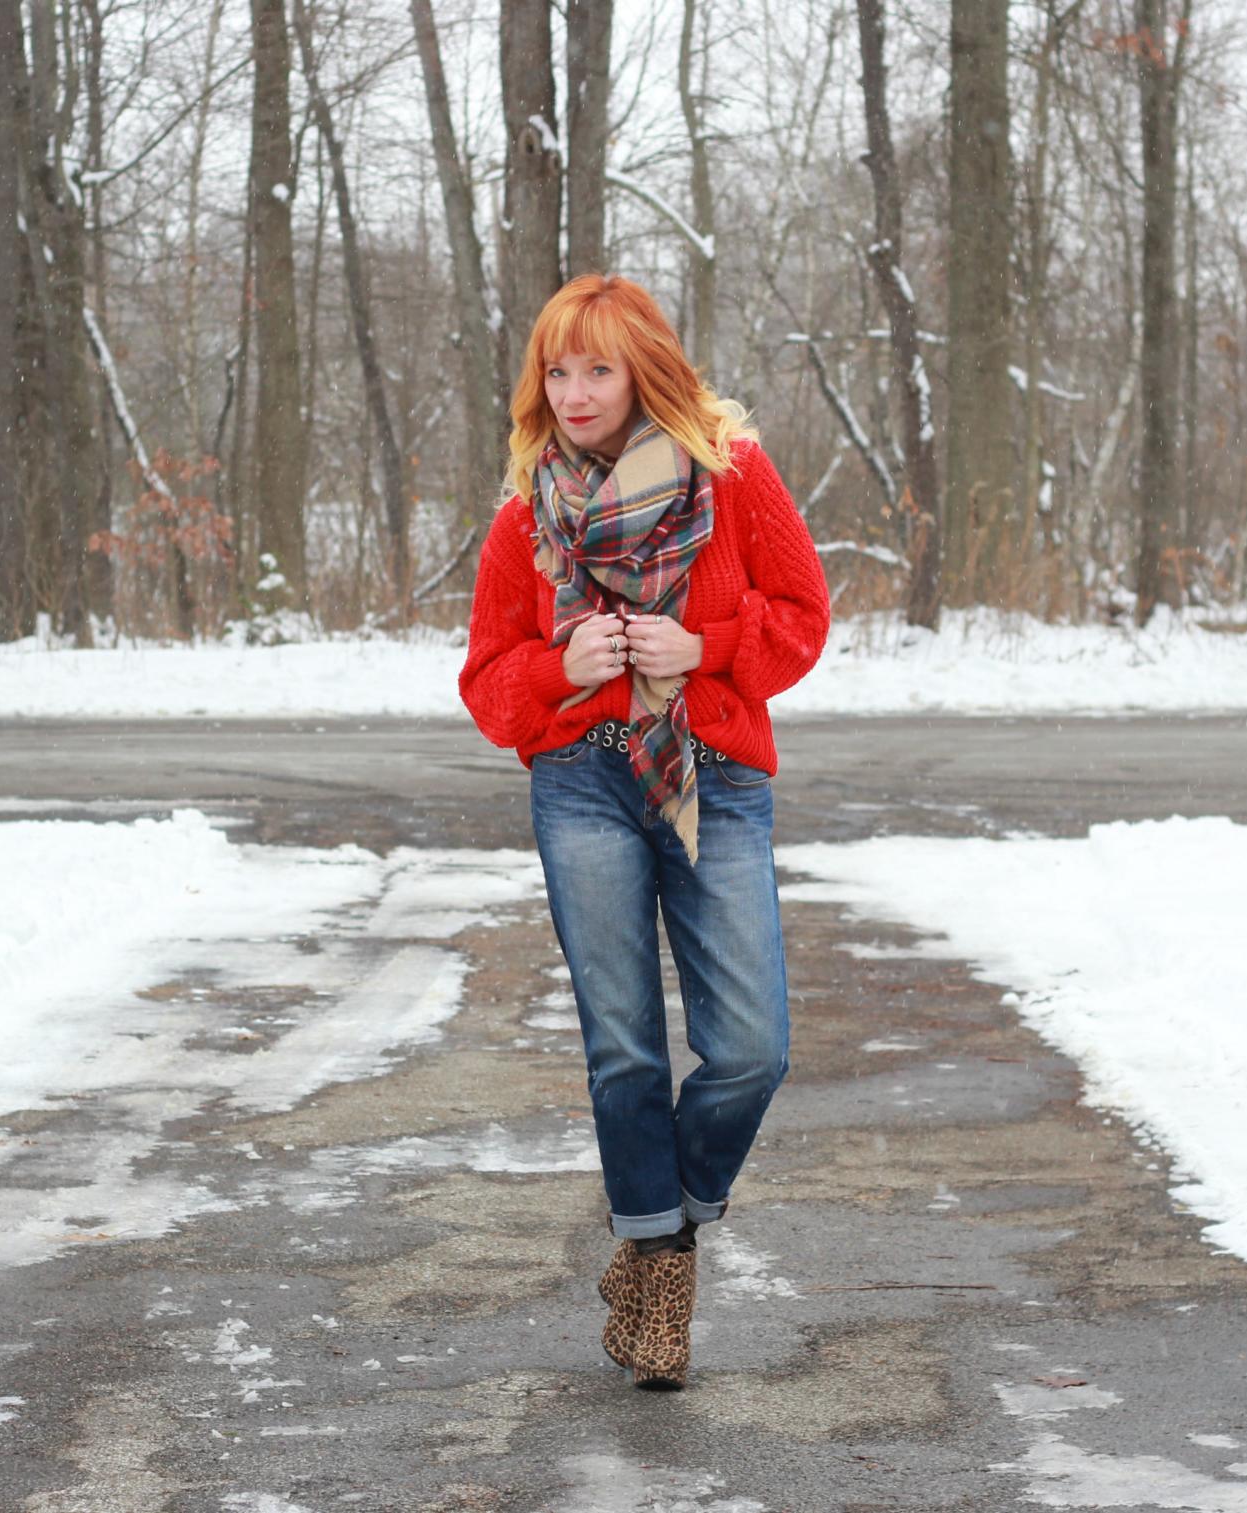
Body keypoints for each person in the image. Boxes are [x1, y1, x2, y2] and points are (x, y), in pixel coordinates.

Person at [457, 274, 830, 1389]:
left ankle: (665, 1217)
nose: (573, 393)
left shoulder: (732, 473)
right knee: (623, 1044)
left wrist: (701, 648)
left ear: (644, 371)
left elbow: (805, 615)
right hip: (581, 781)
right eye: (556, 370)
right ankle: (660, 1266)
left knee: (752, 1047)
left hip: (714, 772)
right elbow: (486, 684)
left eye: (597, 369)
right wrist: (555, 666)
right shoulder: (527, 514)